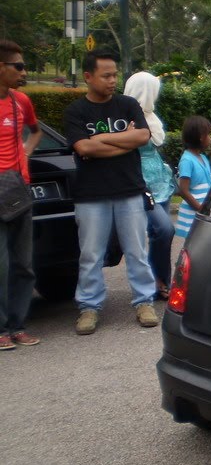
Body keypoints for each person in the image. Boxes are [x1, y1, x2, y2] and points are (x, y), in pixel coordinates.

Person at [64, 52, 159, 335]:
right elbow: (83, 148)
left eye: (115, 74)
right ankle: (89, 308)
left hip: (129, 189)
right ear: (88, 77)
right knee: (91, 254)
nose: (112, 80)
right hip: (91, 195)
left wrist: (101, 138)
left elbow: (142, 137)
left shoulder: (127, 105)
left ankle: (144, 302)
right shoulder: (76, 111)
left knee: (137, 251)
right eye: (106, 75)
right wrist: (123, 142)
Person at [0, 39, 42, 350]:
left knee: (23, 263)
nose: (23, 71)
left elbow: (35, 129)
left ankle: (17, 325)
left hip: (18, 189)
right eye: (18, 66)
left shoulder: (21, 102)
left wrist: (25, 154)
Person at [123, 71, 175, 301]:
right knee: (164, 229)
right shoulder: (126, 116)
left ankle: (160, 279)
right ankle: (154, 280)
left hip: (160, 181)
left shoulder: (151, 115)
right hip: (140, 181)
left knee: (160, 234)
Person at [175, 116, 211, 238]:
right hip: (193, 214)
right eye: (209, 135)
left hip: (203, 211)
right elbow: (183, 191)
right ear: (201, 137)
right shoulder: (187, 160)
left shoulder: (202, 158)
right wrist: (200, 209)